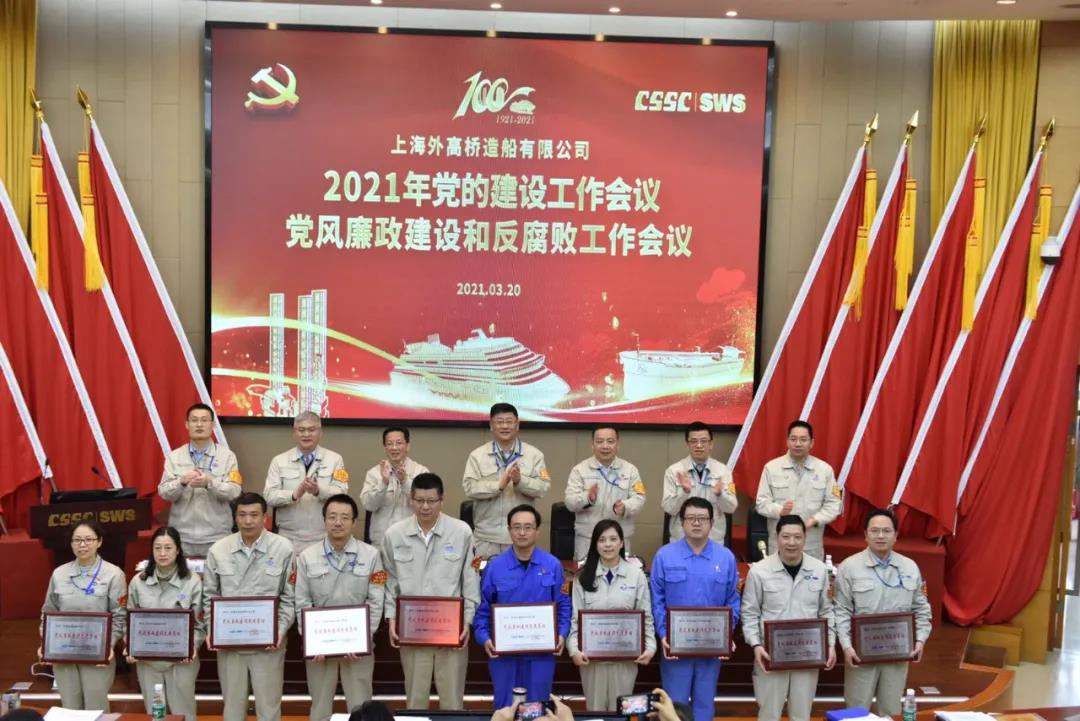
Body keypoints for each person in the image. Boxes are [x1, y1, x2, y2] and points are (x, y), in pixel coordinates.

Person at [381, 473, 480, 710]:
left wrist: (467, 621)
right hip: (412, 631)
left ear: (442, 500)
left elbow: (470, 580)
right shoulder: (394, 534)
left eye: (431, 501)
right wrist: (391, 618)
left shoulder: (461, 532)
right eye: (419, 500)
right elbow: (389, 581)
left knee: (452, 703)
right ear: (411, 500)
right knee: (415, 702)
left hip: (451, 632)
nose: (425, 507)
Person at [203, 492, 296, 721]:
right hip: (230, 646)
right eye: (242, 515)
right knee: (232, 711)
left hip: (268, 646)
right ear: (235, 518)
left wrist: (279, 631)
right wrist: (212, 629)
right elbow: (209, 597)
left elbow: (289, 598)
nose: (248, 521)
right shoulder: (218, 550)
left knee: (269, 709)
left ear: (265, 518)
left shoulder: (283, 548)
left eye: (254, 515)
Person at [295, 493, 385, 721]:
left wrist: (363, 638)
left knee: (361, 708)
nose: (338, 522)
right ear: (324, 520)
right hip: (320, 650)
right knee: (320, 708)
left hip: (358, 649)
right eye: (332, 517)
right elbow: (301, 601)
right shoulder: (307, 557)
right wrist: (311, 641)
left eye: (345, 517)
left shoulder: (371, 555)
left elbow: (376, 600)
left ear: (354, 522)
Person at [835, 509, 933, 716]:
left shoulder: (910, 567)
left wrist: (920, 640)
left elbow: (921, 609)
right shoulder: (849, 567)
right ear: (865, 534)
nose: (881, 536)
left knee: (891, 711)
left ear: (896, 535)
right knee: (856, 712)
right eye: (875, 531)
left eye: (887, 531)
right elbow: (841, 611)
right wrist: (846, 646)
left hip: (897, 654)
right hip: (860, 655)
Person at [650, 497, 741, 721]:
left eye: (702, 518)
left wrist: (726, 632)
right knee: (675, 707)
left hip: (711, 649)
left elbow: (733, 600)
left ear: (712, 523)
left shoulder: (726, 558)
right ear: (681, 522)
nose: (697, 523)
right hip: (675, 647)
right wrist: (664, 634)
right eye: (691, 518)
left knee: (704, 706)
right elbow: (656, 600)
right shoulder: (664, 556)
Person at [475, 504, 572, 709]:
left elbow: (563, 606)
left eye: (528, 527)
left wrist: (562, 634)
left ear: (537, 531)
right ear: (509, 530)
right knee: (505, 710)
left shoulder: (553, 565)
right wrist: (485, 639)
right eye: (516, 527)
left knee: (538, 709)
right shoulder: (495, 567)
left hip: (541, 655)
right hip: (503, 656)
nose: (522, 532)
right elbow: (483, 610)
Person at [741, 515, 836, 721]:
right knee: (769, 715)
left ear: (805, 538)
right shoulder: (759, 571)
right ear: (776, 537)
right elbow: (750, 613)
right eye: (786, 536)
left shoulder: (819, 570)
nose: (791, 542)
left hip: (807, 656)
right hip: (769, 655)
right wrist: (756, 645)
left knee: (801, 715)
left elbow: (827, 611)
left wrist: (830, 644)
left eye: (797, 537)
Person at [567, 520, 655, 711]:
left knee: (621, 711)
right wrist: (574, 650)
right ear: (595, 544)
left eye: (613, 539)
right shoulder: (582, 577)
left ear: (622, 543)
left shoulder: (636, 575)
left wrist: (650, 648)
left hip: (625, 660)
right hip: (591, 661)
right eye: (602, 540)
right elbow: (575, 620)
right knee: (595, 712)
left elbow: (646, 617)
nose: (608, 544)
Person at [39, 521, 127, 711]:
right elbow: (48, 612)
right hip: (64, 653)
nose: (82, 545)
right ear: (71, 543)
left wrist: (109, 644)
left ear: (99, 542)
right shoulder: (59, 574)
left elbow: (119, 617)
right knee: (69, 707)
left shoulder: (114, 574)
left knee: (96, 707)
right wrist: (46, 643)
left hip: (97, 654)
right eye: (77, 540)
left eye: (88, 539)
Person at [126, 527, 204, 721]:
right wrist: (131, 646)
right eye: (157, 548)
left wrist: (191, 647)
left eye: (168, 548)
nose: (162, 553)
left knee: (183, 714)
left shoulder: (192, 581)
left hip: (181, 662)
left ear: (178, 550)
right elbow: (129, 621)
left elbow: (199, 624)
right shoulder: (138, 582)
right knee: (155, 715)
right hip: (148, 662)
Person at [463, 403, 551, 558]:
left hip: (521, 537)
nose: (504, 426)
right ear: (491, 426)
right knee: (482, 573)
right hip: (486, 538)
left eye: (509, 421)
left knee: (520, 574)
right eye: (499, 422)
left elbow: (543, 486)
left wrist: (520, 481)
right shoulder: (477, 456)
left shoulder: (535, 455)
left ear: (517, 425)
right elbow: (469, 487)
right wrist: (498, 485)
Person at [158, 403, 242, 557]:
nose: (199, 424)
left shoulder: (227, 456)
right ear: (187, 424)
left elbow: (235, 491)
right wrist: (181, 482)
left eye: (204, 420)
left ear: (212, 425)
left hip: (217, 536)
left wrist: (210, 483)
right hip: (181, 536)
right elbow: (164, 492)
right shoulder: (174, 456)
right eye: (194, 420)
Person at [264, 411, 350, 552]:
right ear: (294, 433)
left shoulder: (335, 459)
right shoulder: (279, 461)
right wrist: (294, 495)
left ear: (320, 433)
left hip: (323, 536)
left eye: (311, 430)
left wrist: (318, 491)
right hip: (288, 537)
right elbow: (269, 496)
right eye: (301, 430)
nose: (306, 434)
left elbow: (342, 493)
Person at [755, 420, 841, 560]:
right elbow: (761, 503)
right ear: (787, 441)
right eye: (793, 439)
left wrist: (815, 519)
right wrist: (780, 511)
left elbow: (834, 504)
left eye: (803, 439)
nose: (798, 444)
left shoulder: (825, 470)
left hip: (811, 542)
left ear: (812, 443)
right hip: (780, 543)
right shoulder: (771, 467)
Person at [564, 427, 647, 561]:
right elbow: (569, 502)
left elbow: (639, 498)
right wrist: (587, 498)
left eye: (610, 441)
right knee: (587, 573)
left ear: (617, 444)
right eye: (600, 441)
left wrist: (625, 506)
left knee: (620, 573)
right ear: (592, 445)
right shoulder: (579, 470)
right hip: (588, 539)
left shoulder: (630, 470)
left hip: (619, 539)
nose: (605, 446)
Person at [662, 421, 738, 545]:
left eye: (703, 441)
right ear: (687, 444)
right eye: (693, 441)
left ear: (711, 444)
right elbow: (669, 509)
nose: (699, 445)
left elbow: (731, 508)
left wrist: (720, 495)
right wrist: (684, 492)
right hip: (681, 540)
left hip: (714, 540)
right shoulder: (674, 471)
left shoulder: (723, 471)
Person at [360, 427, 430, 546]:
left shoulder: (421, 472)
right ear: (384, 448)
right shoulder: (374, 473)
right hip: (382, 542)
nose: (394, 448)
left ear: (408, 446)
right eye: (389, 444)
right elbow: (369, 505)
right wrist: (384, 483)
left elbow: (426, 505)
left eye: (399, 443)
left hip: (413, 542)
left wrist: (405, 481)